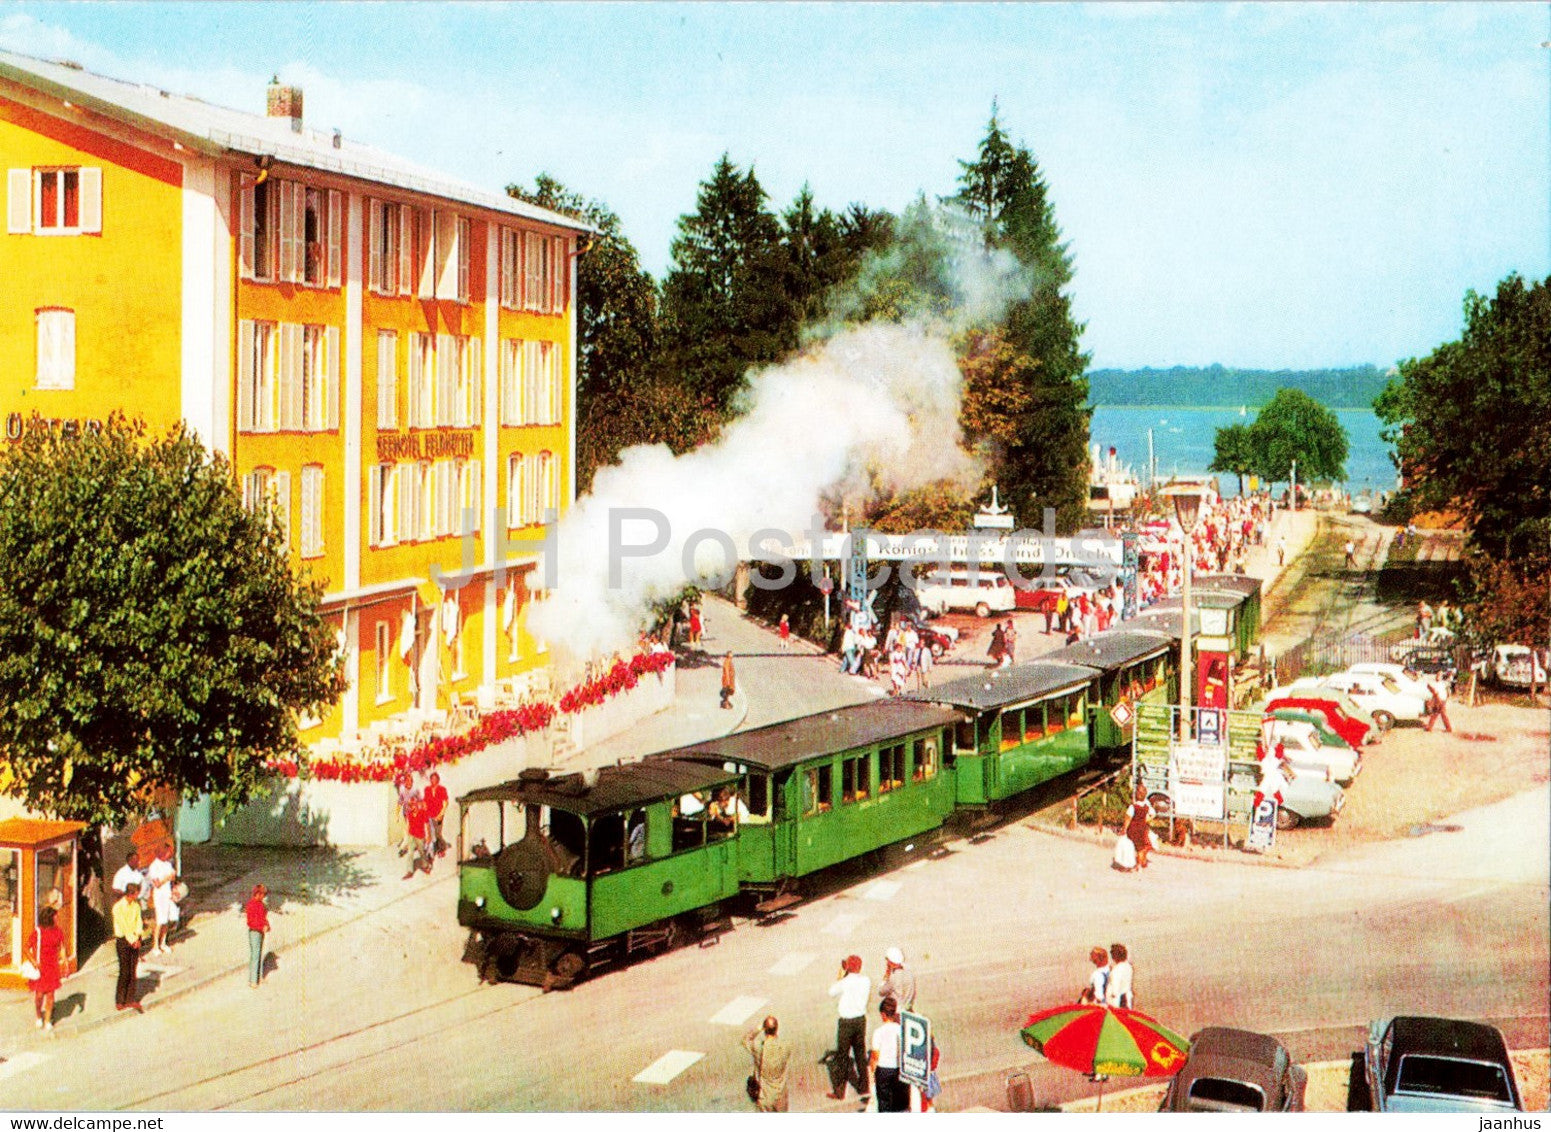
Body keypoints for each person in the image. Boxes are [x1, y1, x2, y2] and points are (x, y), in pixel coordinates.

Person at [826, 955, 871, 1103]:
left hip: (846, 1022)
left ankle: (840, 1091)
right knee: (860, 1055)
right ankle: (864, 1088)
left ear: (848, 967)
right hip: (860, 1020)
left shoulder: (844, 982)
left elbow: (831, 992)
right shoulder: (866, 981)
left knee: (843, 1057)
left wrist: (841, 975)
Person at [743, 1015, 792, 1112]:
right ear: (776, 1029)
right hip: (780, 1096)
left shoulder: (758, 1048)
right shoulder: (785, 1047)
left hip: (764, 1097)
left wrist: (759, 1028)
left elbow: (746, 1040)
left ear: (765, 1030)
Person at [26, 906, 63, 1030]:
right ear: (49, 918)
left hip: (52, 966)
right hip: (41, 967)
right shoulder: (38, 932)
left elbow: (61, 947)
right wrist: (33, 962)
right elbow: (26, 948)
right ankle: (38, 1015)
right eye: (55, 916)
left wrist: (65, 962)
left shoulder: (58, 931)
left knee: (51, 995)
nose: (57, 918)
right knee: (39, 996)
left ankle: (47, 1020)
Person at [112, 881, 146, 1013]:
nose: (137, 896)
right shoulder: (118, 907)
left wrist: (137, 936)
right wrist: (132, 939)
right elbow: (124, 926)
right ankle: (120, 1000)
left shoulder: (136, 906)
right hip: (123, 940)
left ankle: (130, 999)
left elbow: (139, 921)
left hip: (134, 938)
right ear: (131, 894)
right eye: (136, 894)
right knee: (124, 971)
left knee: (133, 970)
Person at [869, 996, 906, 1112]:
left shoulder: (878, 1032)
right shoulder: (901, 1030)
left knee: (884, 1103)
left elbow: (875, 1056)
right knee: (899, 1103)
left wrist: (872, 1074)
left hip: (883, 1070)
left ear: (883, 1014)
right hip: (898, 1069)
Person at [145, 843, 179, 954]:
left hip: (168, 894)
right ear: (162, 853)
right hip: (159, 896)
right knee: (160, 921)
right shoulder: (154, 866)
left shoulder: (168, 864)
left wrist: (173, 888)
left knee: (167, 920)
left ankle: (163, 943)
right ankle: (155, 946)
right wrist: (168, 877)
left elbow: (172, 879)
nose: (170, 854)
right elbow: (157, 884)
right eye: (168, 852)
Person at [245, 883, 270, 988]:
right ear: (258, 894)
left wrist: (267, 925)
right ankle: (253, 981)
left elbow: (263, 917)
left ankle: (258, 978)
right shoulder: (251, 905)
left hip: (260, 931)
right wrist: (262, 927)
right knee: (255, 956)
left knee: (258, 954)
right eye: (263, 894)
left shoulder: (261, 904)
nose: (264, 896)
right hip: (254, 932)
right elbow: (250, 922)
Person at [1125, 784, 1154, 870]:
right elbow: (1153, 814)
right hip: (1142, 829)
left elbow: (1128, 819)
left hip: (1132, 829)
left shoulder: (1133, 807)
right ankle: (1139, 865)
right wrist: (1147, 820)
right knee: (1140, 848)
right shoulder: (1147, 807)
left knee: (1131, 847)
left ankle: (1130, 864)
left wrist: (1124, 829)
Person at [879, 946, 917, 1012]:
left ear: (890, 961)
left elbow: (881, 992)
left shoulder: (893, 977)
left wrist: (886, 978)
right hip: (908, 1007)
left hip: (897, 1011)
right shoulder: (909, 971)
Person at [403, 795, 432, 878]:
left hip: (420, 836)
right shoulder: (409, 814)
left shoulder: (422, 812)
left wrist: (428, 836)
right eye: (410, 805)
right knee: (410, 853)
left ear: (416, 805)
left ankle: (425, 866)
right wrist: (405, 839)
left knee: (422, 852)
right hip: (411, 835)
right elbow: (408, 825)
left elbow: (427, 825)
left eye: (413, 805)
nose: (412, 807)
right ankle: (409, 871)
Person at [424, 771, 450, 857]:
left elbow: (445, 803)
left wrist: (440, 815)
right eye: (432, 779)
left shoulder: (442, 789)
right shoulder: (427, 789)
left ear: (438, 780)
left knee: (438, 833)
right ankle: (436, 849)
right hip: (429, 814)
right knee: (432, 834)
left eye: (435, 779)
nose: (433, 780)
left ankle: (443, 847)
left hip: (439, 814)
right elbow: (425, 802)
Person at [1105, 943, 1134, 1009]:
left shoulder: (1117, 969)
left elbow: (1115, 985)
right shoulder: (1128, 966)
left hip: (1117, 1000)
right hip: (1126, 996)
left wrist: (1113, 995)